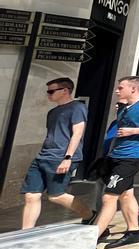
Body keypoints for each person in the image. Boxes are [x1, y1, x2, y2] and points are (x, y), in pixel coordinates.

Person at [94, 76, 139, 248]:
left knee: (108, 196)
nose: (117, 91)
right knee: (126, 194)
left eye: (120, 87)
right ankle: (133, 232)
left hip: (132, 157)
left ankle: (93, 237)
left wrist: (134, 131)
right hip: (117, 155)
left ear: (133, 89)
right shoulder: (124, 107)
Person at [20, 78, 92, 229]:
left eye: (51, 91)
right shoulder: (52, 112)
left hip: (61, 157)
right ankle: (25, 232)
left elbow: (77, 133)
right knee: (31, 195)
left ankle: (90, 215)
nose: (48, 94)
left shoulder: (77, 107)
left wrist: (68, 158)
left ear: (65, 91)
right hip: (43, 156)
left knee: (56, 195)